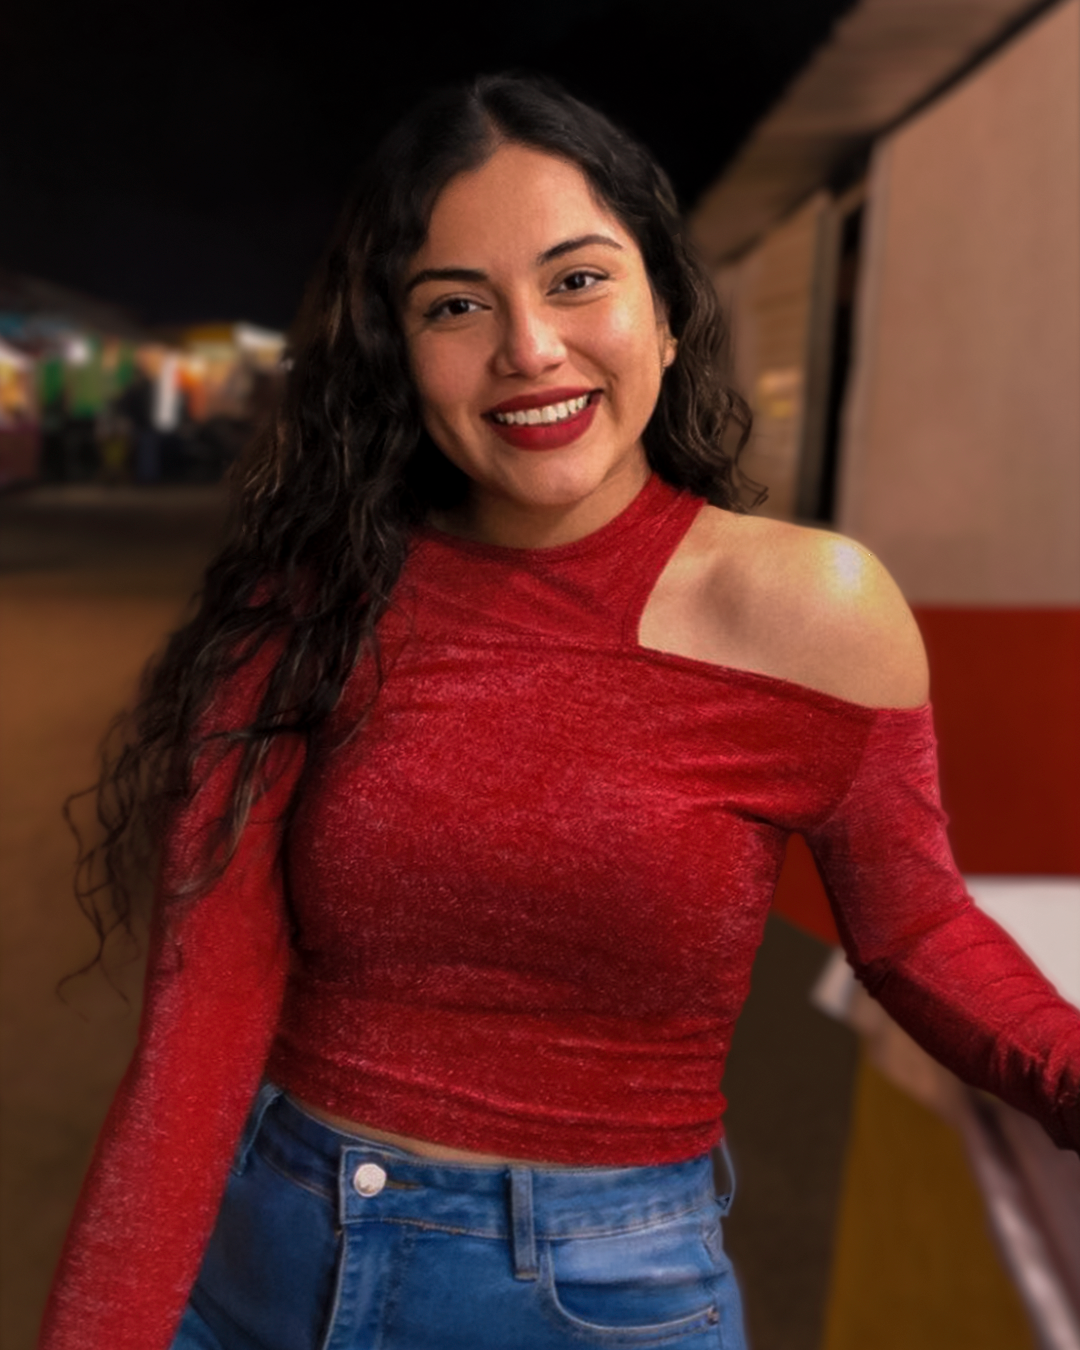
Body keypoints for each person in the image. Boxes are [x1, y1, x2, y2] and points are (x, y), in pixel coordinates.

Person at [40, 74, 1080, 1350]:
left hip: (595, 1303)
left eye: (578, 279)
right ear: (398, 352)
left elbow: (917, 933)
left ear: (667, 314)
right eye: (456, 304)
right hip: (257, 1270)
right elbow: (198, 1024)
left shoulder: (811, 607)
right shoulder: (311, 604)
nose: (528, 348)